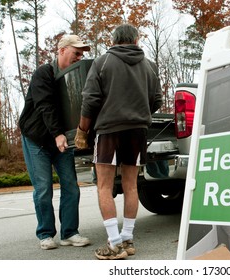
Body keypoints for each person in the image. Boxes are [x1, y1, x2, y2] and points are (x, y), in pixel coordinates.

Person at [74, 23, 162, 260]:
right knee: (131, 185)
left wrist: (83, 130)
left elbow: (90, 100)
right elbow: (156, 100)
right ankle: (128, 239)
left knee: (104, 185)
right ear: (136, 40)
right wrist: (139, 112)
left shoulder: (102, 63)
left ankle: (114, 244)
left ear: (113, 41)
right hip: (137, 131)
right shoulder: (150, 66)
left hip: (109, 130)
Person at [19, 35, 91, 250]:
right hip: (37, 139)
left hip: (61, 141)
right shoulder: (44, 73)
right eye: (75, 53)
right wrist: (58, 134)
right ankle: (45, 234)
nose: (79, 57)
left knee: (71, 187)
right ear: (61, 51)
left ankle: (69, 233)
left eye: (81, 54)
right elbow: (45, 105)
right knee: (43, 188)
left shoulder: (74, 78)